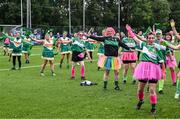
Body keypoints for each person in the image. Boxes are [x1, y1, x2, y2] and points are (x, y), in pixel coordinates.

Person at [126, 25, 164, 114]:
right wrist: (130, 30)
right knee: (140, 89)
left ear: (154, 39)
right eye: (149, 38)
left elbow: (161, 61)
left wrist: (163, 72)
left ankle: (153, 107)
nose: (151, 39)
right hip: (143, 69)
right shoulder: (143, 45)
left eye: (152, 38)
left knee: (151, 90)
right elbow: (135, 38)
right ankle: (140, 101)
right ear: (147, 39)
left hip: (154, 70)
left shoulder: (157, 48)